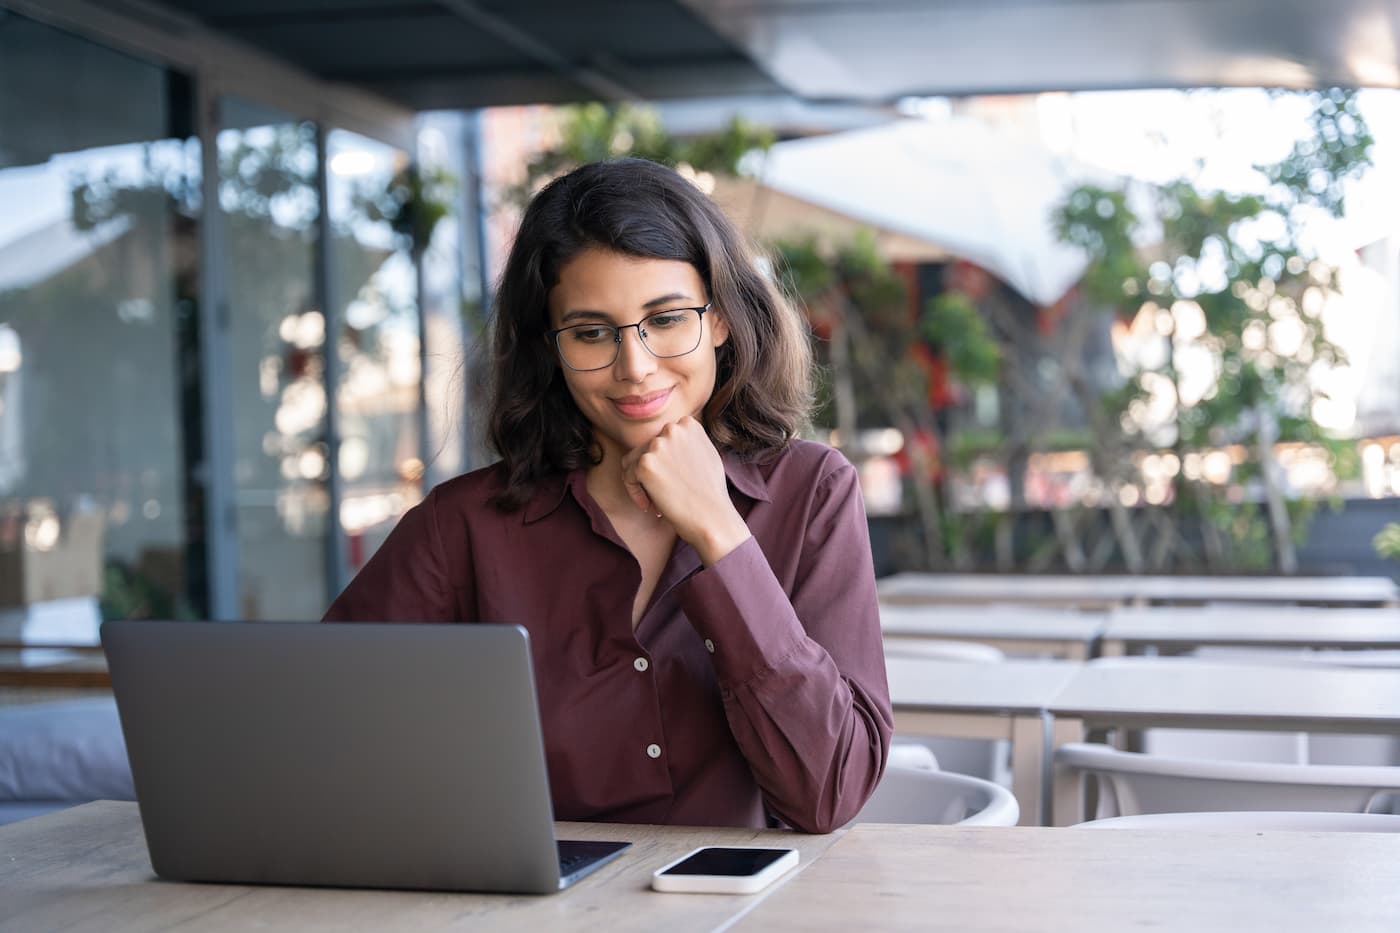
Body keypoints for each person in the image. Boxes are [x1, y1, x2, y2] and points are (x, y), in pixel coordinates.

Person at [325, 157, 891, 834]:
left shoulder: (813, 493)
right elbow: (327, 731)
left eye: (668, 318)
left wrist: (719, 531)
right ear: (551, 348)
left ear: (721, 319)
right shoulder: (463, 527)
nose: (635, 366)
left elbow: (829, 791)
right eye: (592, 333)